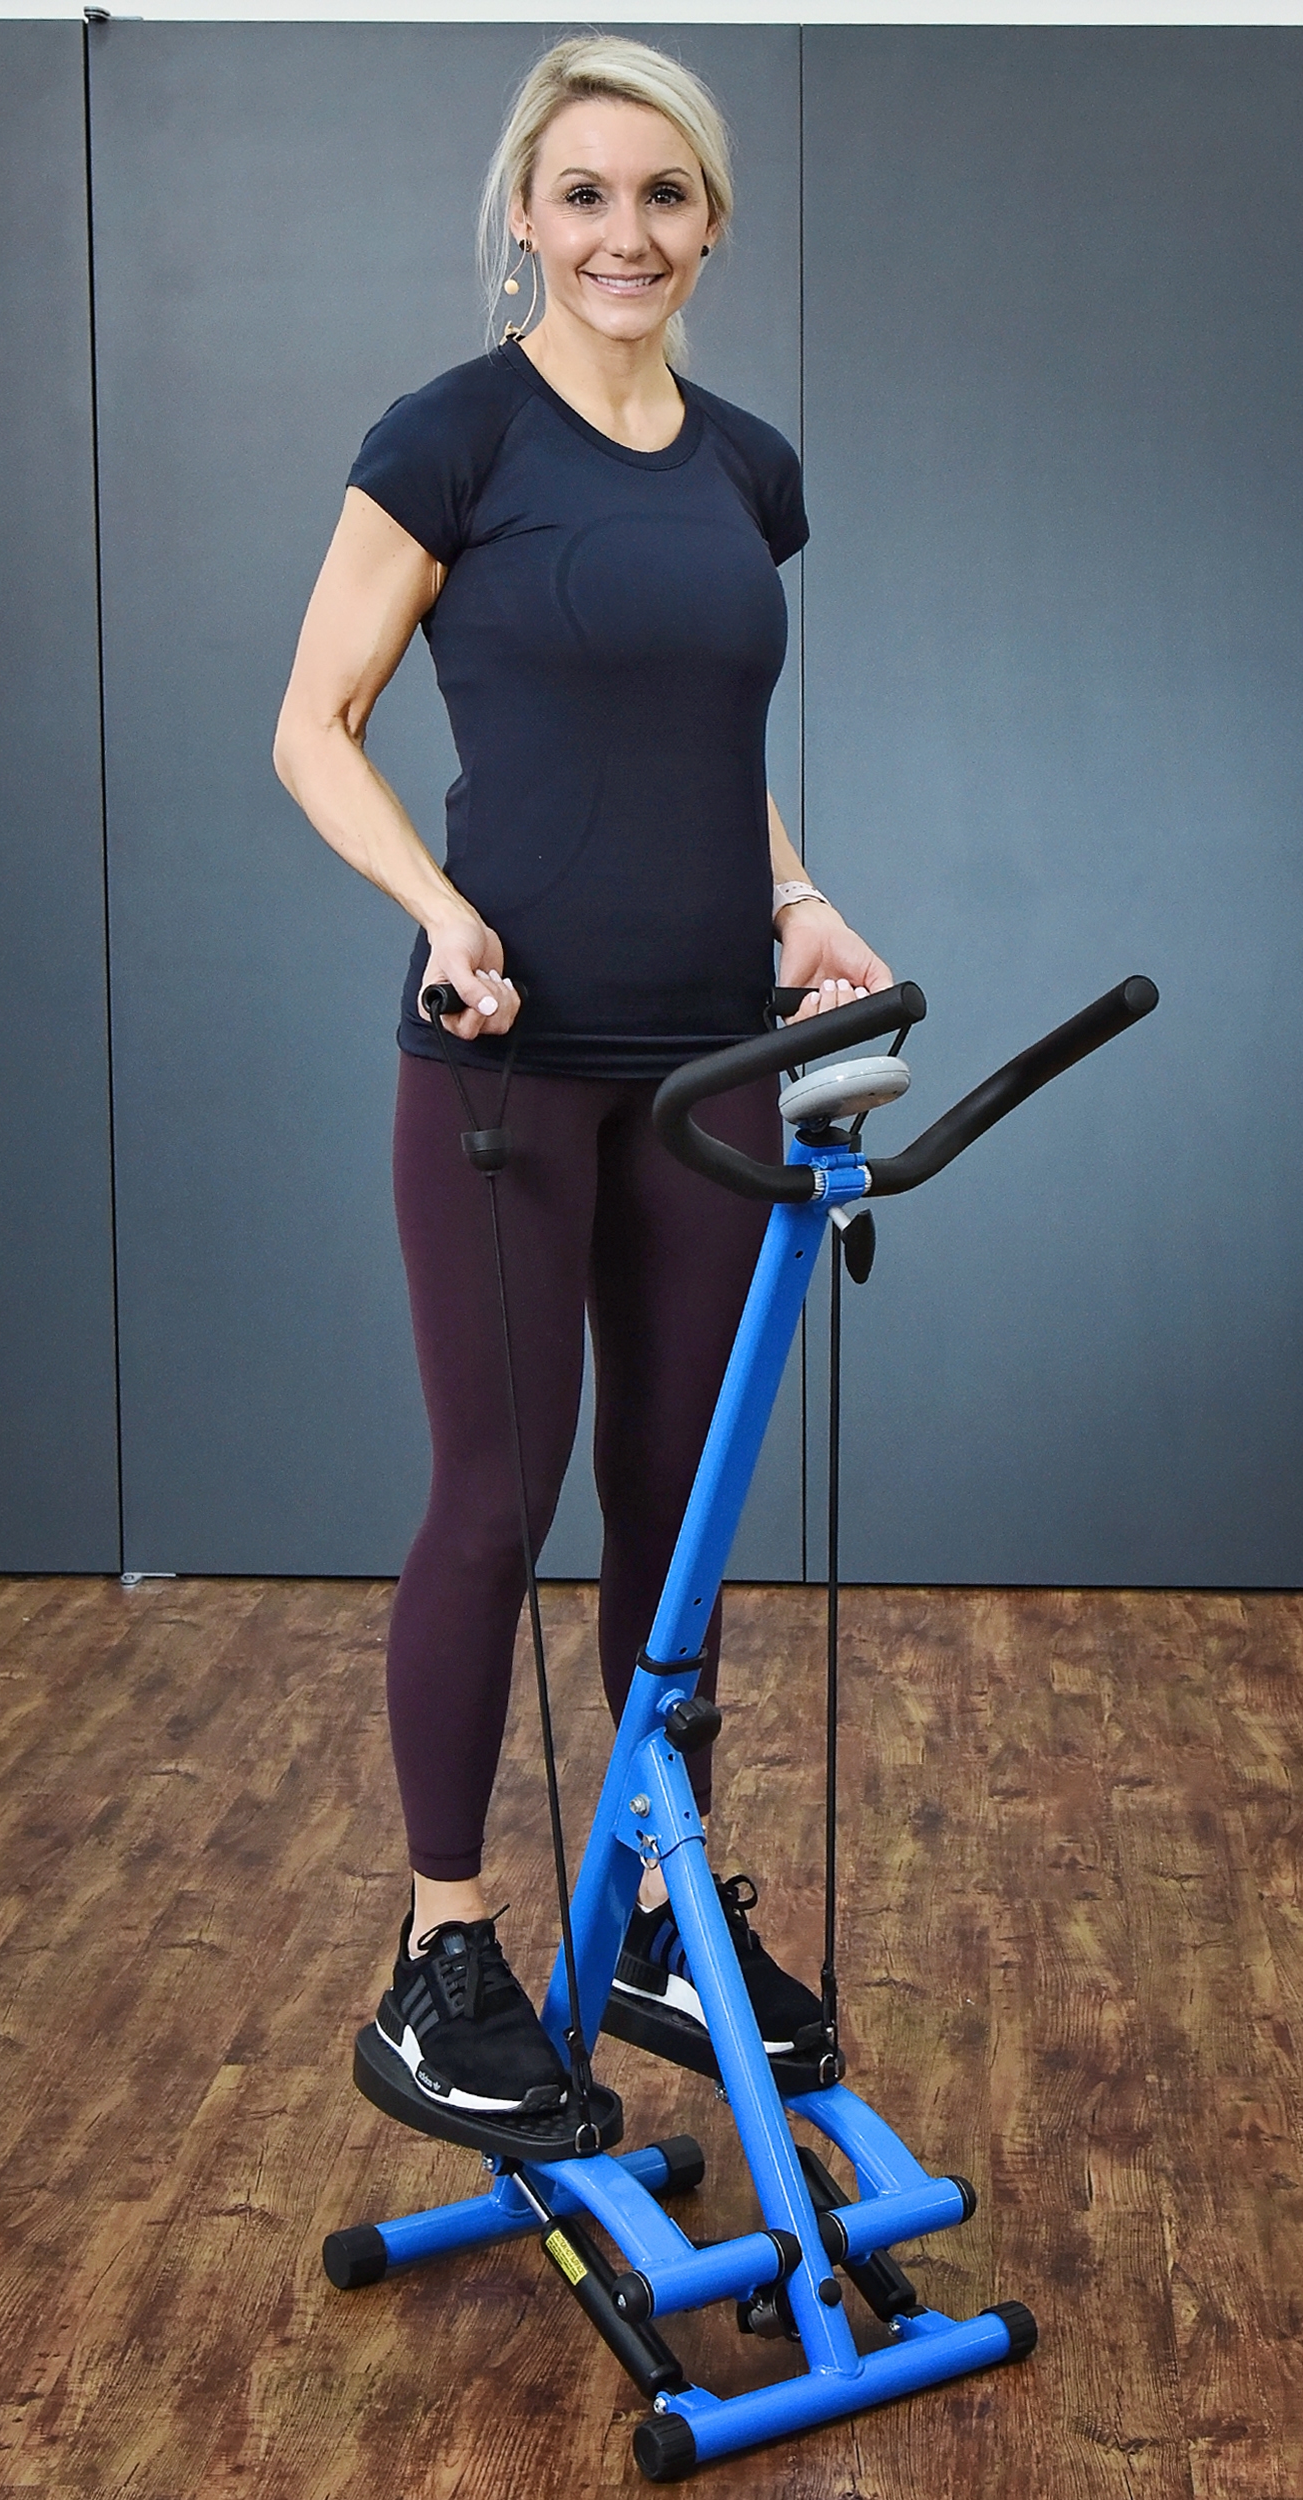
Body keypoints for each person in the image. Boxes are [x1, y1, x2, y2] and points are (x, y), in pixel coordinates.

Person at [272, 36, 893, 2126]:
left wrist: (798, 898)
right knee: (492, 1493)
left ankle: (642, 1909)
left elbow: (703, 750)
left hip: (720, 1057)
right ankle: (440, 1950)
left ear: (710, 221)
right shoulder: (447, 441)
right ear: (523, 221)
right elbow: (311, 723)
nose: (622, 233)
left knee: (678, 1510)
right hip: (507, 1064)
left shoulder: (746, 469)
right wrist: (441, 914)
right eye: (582, 195)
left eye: (661, 196)